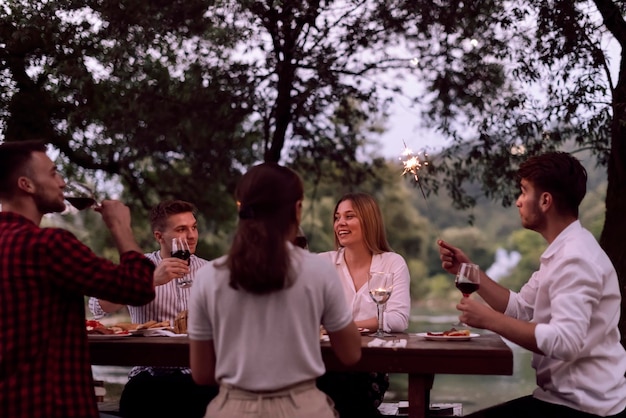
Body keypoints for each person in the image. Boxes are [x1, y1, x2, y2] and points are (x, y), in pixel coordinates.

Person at [438, 151, 626, 418]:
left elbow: (565, 342)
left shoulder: (576, 258)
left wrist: (489, 320)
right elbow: (522, 308)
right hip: (560, 399)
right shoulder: (562, 252)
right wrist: (471, 274)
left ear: (546, 200)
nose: (518, 202)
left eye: (524, 192)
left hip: (584, 408)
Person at [188, 162, 362, 418]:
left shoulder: (206, 277)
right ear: (297, 209)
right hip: (303, 409)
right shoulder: (320, 270)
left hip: (232, 408)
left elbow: (202, 374)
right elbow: (350, 354)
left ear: (242, 209)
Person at [0, 140, 156, 418]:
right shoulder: (49, 245)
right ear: (27, 185)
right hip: (53, 406)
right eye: (53, 173)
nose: (62, 182)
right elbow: (137, 286)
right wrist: (120, 226)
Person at [89, 199, 218, 418]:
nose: (191, 235)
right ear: (159, 236)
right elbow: (97, 307)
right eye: (181, 229)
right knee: (141, 398)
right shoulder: (139, 268)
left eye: (193, 227)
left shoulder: (210, 271)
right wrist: (150, 281)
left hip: (199, 374)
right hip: (149, 375)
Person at [318, 192, 411, 417]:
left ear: (369, 221)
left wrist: (345, 327)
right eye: (337, 217)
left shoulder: (392, 262)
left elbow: (398, 319)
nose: (340, 223)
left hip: (368, 368)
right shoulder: (322, 263)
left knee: (340, 389)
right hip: (324, 363)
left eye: (349, 216)